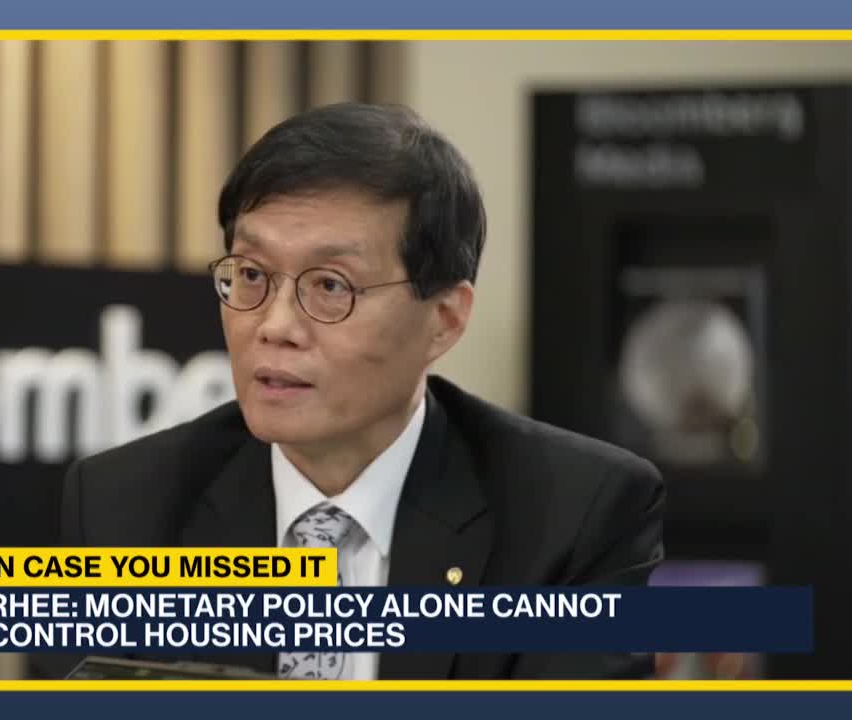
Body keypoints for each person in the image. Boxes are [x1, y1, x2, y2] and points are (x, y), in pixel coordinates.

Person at [44, 102, 664, 680]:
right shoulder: (125, 506)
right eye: (252, 274)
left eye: (331, 286)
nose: (275, 326)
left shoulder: (573, 516)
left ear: (444, 319)